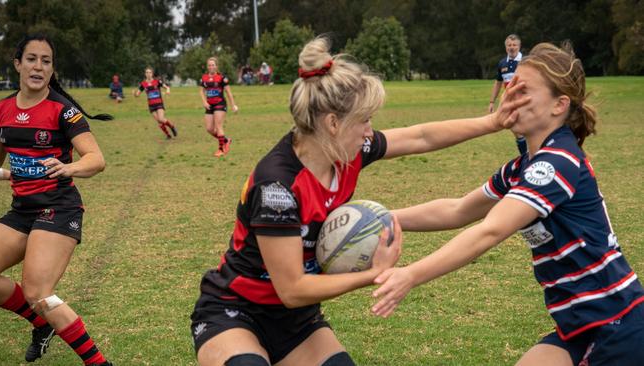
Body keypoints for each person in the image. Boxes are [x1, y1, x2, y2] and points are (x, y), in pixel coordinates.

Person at [190, 36, 528, 366]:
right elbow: (292, 287)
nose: (370, 132)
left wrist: (492, 122)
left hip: (295, 320)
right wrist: (375, 274)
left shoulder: (347, 154)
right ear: (333, 123)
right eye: (364, 120)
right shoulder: (277, 185)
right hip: (234, 310)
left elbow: (420, 136)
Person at [371, 43, 644, 366]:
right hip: (579, 326)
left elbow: (491, 230)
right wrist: (378, 219)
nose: (512, 96)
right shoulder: (522, 168)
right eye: (511, 86)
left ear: (559, 105)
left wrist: (411, 275)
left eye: (524, 91)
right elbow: (457, 210)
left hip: (618, 324)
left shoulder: (556, 163)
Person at [0, 34, 113, 366]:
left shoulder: (64, 111)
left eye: (46, 61)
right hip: (22, 211)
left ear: (51, 69)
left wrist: (68, 166)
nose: (38, 66)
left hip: (59, 209)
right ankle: (40, 324)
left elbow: (96, 159)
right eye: (31, 59)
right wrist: (11, 176)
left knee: (38, 293)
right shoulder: (0, 110)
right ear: (18, 64)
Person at [489, 34, 527, 155]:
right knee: (516, 130)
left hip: (525, 100)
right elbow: (498, 83)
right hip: (510, 102)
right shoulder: (502, 64)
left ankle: (532, 155)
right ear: (506, 47)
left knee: (528, 129)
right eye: (509, 45)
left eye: (514, 45)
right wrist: (491, 102)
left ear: (519, 46)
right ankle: (525, 156)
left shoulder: (526, 61)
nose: (512, 47)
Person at [199, 57, 238, 158]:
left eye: (213, 65)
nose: (211, 67)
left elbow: (228, 92)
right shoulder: (204, 78)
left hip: (220, 104)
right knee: (209, 129)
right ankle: (226, 140)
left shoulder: (222, 78)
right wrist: (204, 102)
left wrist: (233, 105)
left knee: (218, 126)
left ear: (216, 66)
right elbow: (201, 91)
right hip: (209, 105)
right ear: (207, 67)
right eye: (209, 65)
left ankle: (221, 149)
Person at [134, 67, 177, 139]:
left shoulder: (157, 81)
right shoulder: (143, 84)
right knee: (159, 122)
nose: (148, 74)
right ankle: (168, 135)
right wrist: (135, 94)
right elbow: (137, 94)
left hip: (159, 103)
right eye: (147, 72)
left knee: (161, 118)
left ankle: (172, 126)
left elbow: (167, 87)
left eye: (150, 72)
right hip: (151, 105)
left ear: (152, 74)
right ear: (145, 74)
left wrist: (168, 90)